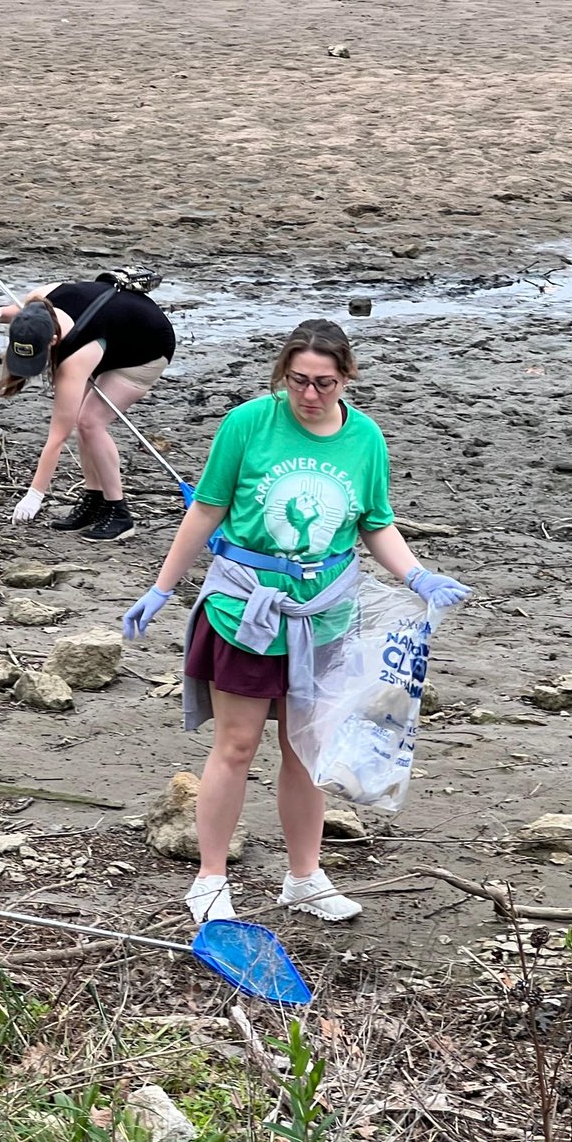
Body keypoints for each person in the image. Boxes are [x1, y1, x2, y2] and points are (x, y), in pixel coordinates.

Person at [123, 319, 470, 925]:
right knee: (235, 745)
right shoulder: (249, 424)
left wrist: (417, 576)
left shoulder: (364, 439)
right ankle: (210, 881)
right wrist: (162, 585)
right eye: (299, 381)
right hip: (245, 609)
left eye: (325, 384)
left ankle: (304, 878)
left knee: (307, 750)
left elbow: (375, 522)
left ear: (346, 379)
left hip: (325, 615)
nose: (310, 396)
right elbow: (208, 508)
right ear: (283, 374)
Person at [0, 279, 176, 541]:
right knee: (85, 423)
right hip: (112, 330)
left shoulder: (75, 359)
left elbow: (58, 436)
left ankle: (119, 513)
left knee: (90, 422)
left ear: (53, 340)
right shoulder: (39, 300)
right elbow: (25, 314)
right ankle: (94, 499)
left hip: (147, 347)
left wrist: (35, 494)